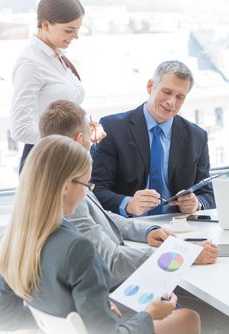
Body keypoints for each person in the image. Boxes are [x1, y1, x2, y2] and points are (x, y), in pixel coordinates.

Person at [0, 135, 201, 334]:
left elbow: (6, 318)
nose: (86, 194)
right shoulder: (78, 248)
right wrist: (150, 314)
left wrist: (72, 317)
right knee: (189, 318)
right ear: (66, 186)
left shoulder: (10, 239)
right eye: (86, 185)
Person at [39, 100, 219, 288]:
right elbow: (113, 261)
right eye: (90, 129)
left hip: (106, 279)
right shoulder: (68, 193)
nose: (100, 136)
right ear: (78, 139)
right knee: (193, 313)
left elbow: (101, 216)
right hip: (110, 289)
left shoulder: (60, 179)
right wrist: (186, 255)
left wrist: (147, 231)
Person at [91, 60, 215, 217]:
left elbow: (208, 195)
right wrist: (128, 204)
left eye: (180, 97)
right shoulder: (112, 128)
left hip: (178, 227)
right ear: (150, 86)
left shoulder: (197, 137)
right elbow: (96, 190)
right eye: (167, 92)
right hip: (129, 226)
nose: (171, 102)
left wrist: (196, 203)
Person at [9, 0, 105, 172]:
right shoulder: (30, 63)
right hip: (44, 163)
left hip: (66, 156)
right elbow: (20, 128)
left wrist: (84, 128)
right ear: (45, 25)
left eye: (77, 29)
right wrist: (69, 139)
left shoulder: (58, 57)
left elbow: (62, 108)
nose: (76, 36)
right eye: (69, 30)